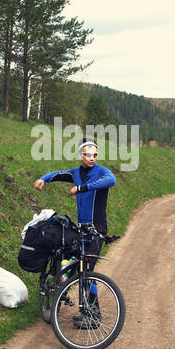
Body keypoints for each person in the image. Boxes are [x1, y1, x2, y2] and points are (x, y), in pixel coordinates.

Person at [33, 139, 117, 326]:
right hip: (81, 229)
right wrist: (43, 179)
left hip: (97, 228)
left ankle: (93, 315)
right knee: (79, 266)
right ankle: (79, 304)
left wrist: (81, 188)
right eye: (88, 154)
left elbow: (112, 180)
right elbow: (58, 175)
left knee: (88, 271)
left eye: (95, 155)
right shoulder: (76, 172)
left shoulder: (102, 172)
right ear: (81, 156)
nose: (92, 158)